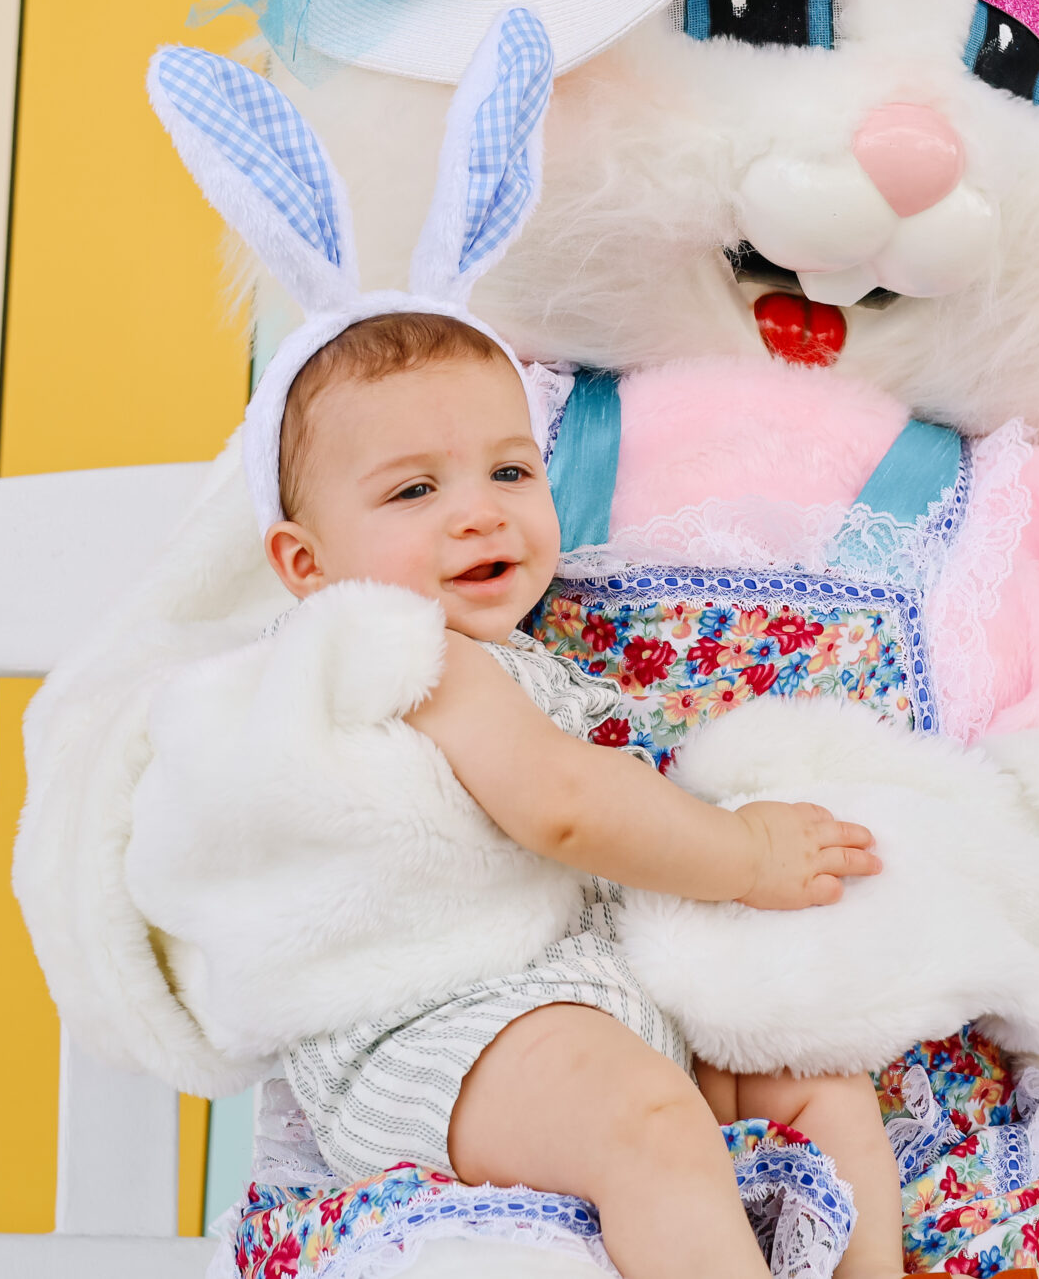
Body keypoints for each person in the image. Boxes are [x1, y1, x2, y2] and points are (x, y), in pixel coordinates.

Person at [259, 307, 908, 1279]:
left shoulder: (520, 664)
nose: (478, 511)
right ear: (307, 566)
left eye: (510, 472)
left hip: (587, 1007)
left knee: (817, 1079)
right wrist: (748, 857)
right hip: (438, 1029)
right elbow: (563, 804)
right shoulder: (395, 653)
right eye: (414, 488)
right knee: (645, 1122)